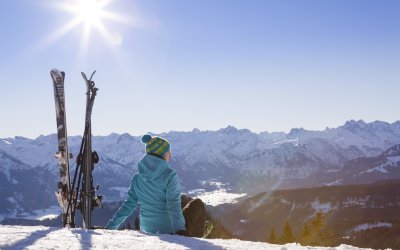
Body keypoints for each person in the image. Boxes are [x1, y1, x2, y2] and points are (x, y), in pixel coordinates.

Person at [107, 134, 187, 235]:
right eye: (168, 151)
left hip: (146, 229)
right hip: (169, 229)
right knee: (195, 204)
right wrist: (180, 230)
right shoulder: (170, 176)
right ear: (161, 154)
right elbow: (173, 204)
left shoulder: (137, 178)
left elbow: (128, 206)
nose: (170, 155)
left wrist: (110, 227)